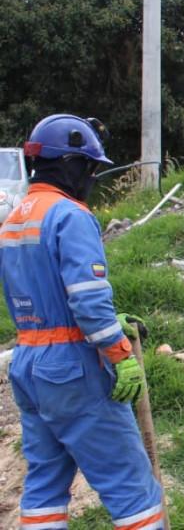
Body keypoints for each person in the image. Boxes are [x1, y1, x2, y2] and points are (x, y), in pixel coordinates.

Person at [1, 115, 164, 530]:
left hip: (28, 364)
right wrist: (119, 352)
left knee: (45, 485)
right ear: (70, 163)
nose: (91, 179)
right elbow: (87, 299)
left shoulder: (14, 219)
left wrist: (105, 320)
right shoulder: (69, 215)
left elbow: (43, 294)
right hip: (72, 367)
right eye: (90, 168)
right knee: (131, 486)